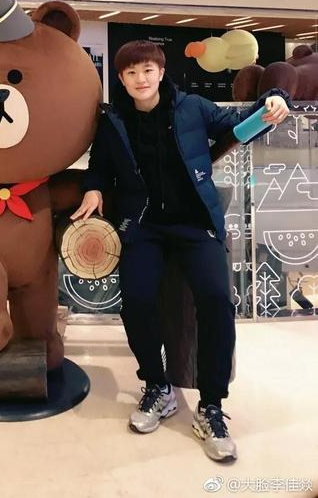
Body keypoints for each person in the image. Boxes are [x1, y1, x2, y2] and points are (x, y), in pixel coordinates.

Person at [72, 40, 290, 462]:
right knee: (136, 301)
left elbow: (238, 122)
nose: (140, 79)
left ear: (160, 72)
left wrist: (275, 98)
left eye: (147, 70)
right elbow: (98, 166)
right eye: (131, 72)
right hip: (144, 226)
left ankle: (211, 405)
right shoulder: (114, 120)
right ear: (121, 79)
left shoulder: (192, 107)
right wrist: (94, 188)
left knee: (217, 301)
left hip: (195, 224)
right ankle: (157, 386)